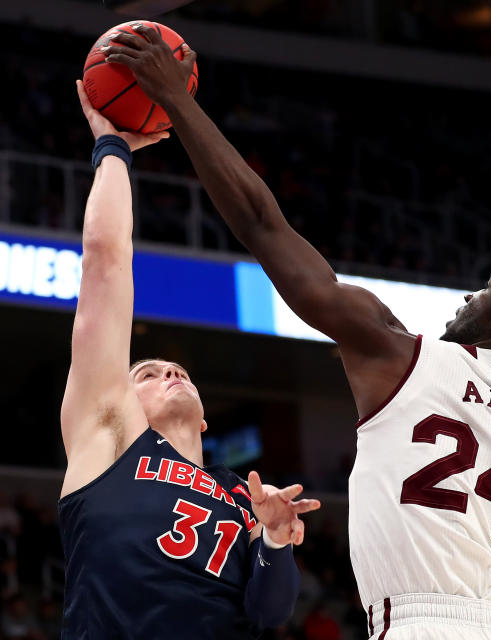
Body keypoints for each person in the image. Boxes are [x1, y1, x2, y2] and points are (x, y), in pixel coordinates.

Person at [102, 25, 491, 639]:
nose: (471, 294)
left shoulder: (400, 355)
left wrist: (178, 101)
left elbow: (263, 224)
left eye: (488, 287)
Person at [58, 79, 320, 639]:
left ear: (204, 420)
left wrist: (274, 539)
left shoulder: (239, 493)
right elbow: (106, 263)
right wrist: (113, 148)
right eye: (146, 374)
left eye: (176, 370)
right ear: (121, 398)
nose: (169, 372)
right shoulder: (107, 436)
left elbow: (271, 613)